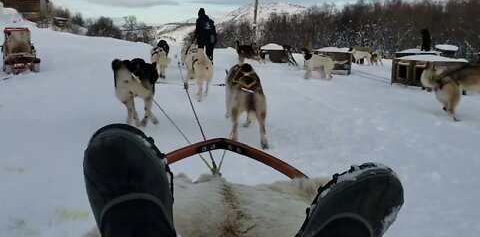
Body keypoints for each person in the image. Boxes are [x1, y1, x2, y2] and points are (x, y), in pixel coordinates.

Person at [84, 124, 404, 237]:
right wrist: (318, 189)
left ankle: (140, 229)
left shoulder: (183, 183)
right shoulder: (294, 192)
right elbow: (311, 187)